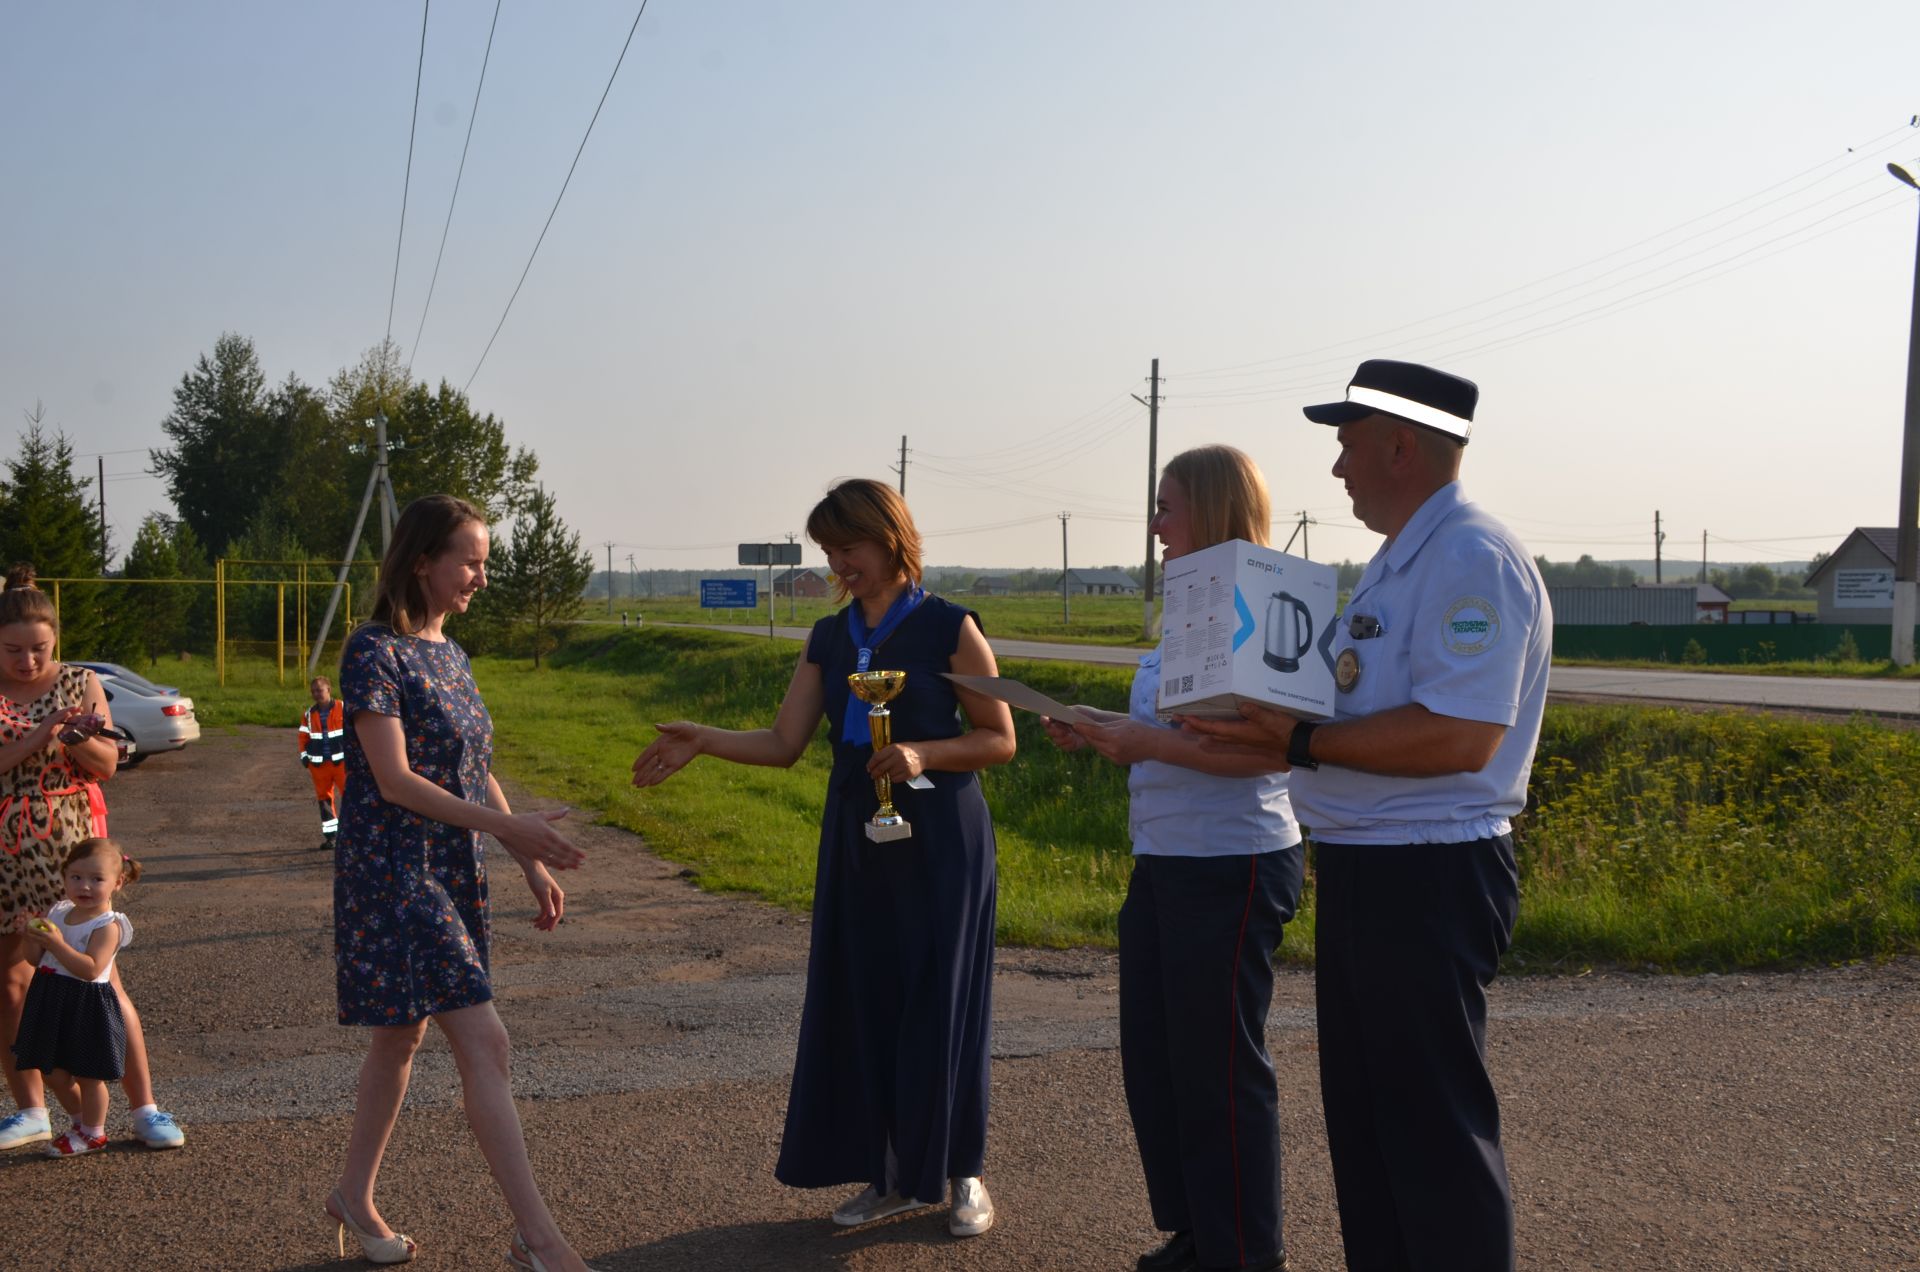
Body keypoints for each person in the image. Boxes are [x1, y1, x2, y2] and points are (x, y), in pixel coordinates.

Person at [1184, 360, 1551, 1271]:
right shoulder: (1400, 563)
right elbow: (1342, 723)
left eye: (1348, 445)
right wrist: (1239, 728)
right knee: (1371, 1129)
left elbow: (1459, 735)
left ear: (1402, 444)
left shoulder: (1471, 557)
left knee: (1428, 1132)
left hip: (1429, 871)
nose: (1339, 469)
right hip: (1368, 865)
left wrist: (1301, 741)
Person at [631, 477, 1016, 1238]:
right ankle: (892, 1177)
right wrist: (704, 740)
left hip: (943, 843)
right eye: (829, 551)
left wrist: (922, 752)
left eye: (849, 547)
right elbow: (782, 744)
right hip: (860, 843)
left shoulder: (949, 626)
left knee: (941, 1006)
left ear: (891, 537)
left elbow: (1000, 738)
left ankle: (962, 1171)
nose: (839, 564)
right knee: (867, 1002)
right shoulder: (830, 637)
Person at [1041, 446, 1300, 1272]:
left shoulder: (1257, 600)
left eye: (1166, 505)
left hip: (1230, 861)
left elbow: (1277, 754)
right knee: (1157, 1058)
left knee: (1219, 1068)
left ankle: (1244, 1255)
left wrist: (1145, 741)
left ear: (1214, 508)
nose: (1153, 523)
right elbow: (1173, 731)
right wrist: (1091, 722)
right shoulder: (1189, 598)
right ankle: (1196, 1232)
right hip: (1165, 855)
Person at [329, 495, 596, 1271]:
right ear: (423, 562)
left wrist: (528, 858)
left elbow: (474, 772)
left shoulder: (452, 653)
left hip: (451, 866)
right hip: (395, 871)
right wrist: (511, 830)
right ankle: (537, 1239)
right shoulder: (374, 650)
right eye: (470, 560)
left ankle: (353, 1192)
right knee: (486, 1040)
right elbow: (396, 780)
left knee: (400, 1035)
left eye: (484, 559)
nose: (481, 574)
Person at [0, 564, 186, 1153]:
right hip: (5, 850)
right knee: (10, 982)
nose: (28, 661)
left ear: (56, 640)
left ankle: (146, 1108)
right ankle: (33, 1109)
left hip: (69, 846)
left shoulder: (81, 681)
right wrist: (45, 733)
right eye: (13, 649)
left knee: (102, 984)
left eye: (39, 649)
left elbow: (106, 765)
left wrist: (80, 735)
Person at [12, 837, 140, 1156]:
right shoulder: (59, 911)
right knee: (51, 1069)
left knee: (88, 1074)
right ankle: (80, 1122)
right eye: (76, 877)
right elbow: (34, 959)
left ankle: (94, 1132)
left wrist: (56, 944)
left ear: (117, 882)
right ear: (65, 876)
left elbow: (90, 968)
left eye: (97, 879)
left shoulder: (108, 925)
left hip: (87, 1002)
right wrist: (31, 937)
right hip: (52, 997)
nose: (85, 886)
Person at [299, 675, 347, 850]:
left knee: (350, 799)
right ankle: (331, 838)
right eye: (313, 691)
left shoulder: (344, 708)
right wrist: (304, 756)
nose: (316, 694)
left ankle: (351, 836)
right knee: (325, 801)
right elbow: (303, 737)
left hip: (343, 763)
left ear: (329, 689)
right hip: (319, 766)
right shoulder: (309, 714)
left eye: (319, 690)